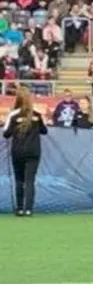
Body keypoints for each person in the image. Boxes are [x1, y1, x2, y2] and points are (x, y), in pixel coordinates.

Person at [4, 87, 49, 217]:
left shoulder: (13, 115)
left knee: (19, 180)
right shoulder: (36, 115)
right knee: (30, 181)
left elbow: (6, 134)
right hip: (33, 152)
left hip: (18, 151)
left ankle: (19, 209)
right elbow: (44, 131)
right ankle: (28, 209)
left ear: (17, 99)